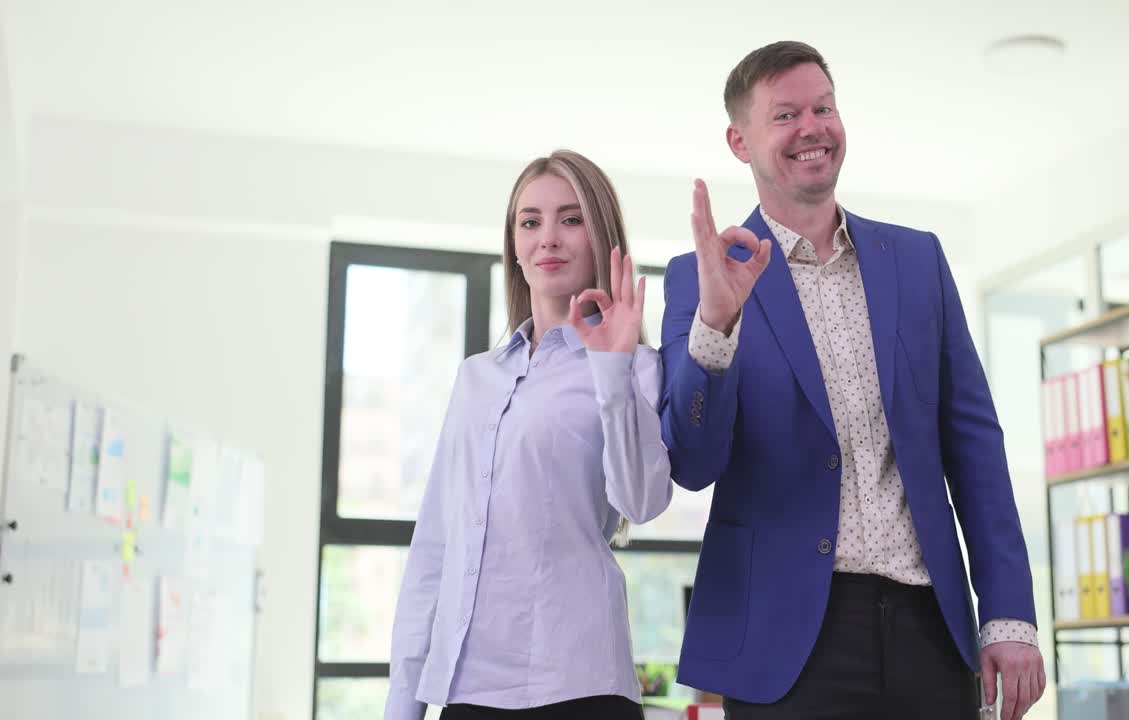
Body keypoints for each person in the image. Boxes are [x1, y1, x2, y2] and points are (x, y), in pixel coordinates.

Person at [658, 41, 1046, 720]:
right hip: (786, 646)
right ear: (739, 140)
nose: (813, 127)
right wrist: (717, 325)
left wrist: (1009, 616)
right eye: (786, 115)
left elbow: (974, 443)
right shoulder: (701, 277)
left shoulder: (918, 260)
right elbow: (693, 463)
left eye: (824, 107)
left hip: (931, 627)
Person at [385, 149, 672, 720]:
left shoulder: (634, 365)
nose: (549, 239)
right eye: (530, 222)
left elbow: (641, 502)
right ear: (514, 246)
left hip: (577, 683)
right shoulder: (475, 378)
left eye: (571, 219)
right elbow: (435, 547)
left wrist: (611, 368)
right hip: (466, 689)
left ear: (601, 239)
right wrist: (403, 704)